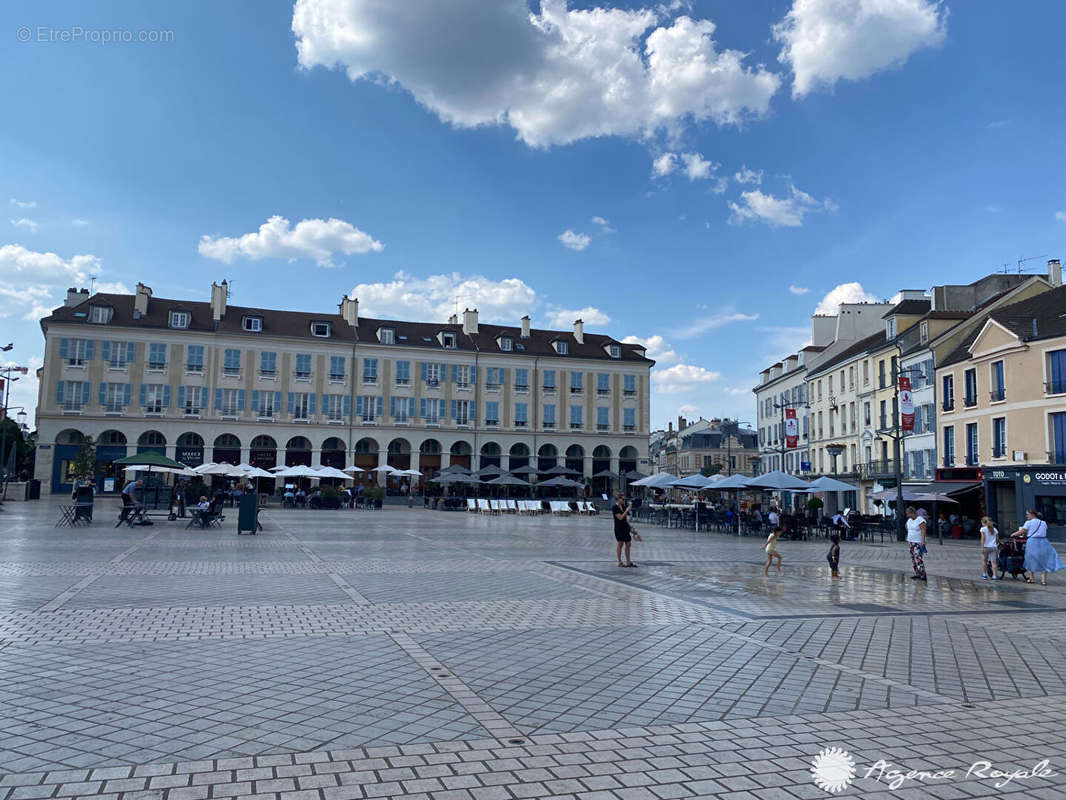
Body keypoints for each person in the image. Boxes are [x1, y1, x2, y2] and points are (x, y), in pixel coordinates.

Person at [1015, 509, 1064, 586]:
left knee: (1030, 559)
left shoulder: (1028, 523)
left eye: (1027, 514)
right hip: (1044, 542)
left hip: (1033, 542)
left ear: (1032, 514)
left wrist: (1013, 534)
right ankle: (1043, 580)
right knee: (1044, 560)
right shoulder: (1043, 522)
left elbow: (1022, 531)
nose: (1026, 516)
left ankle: (1031, 578)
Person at [612, 492, 639, 568]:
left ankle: (628, 561)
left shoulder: (623, 506)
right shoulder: (615, 507)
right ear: (618, 499)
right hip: (619, 528)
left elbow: (625, 519)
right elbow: (620, 517)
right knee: (620, 544)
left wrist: (631, 528)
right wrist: (627, 510)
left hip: (625, 527)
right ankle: (620, 562)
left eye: (624, 499)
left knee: (628, 544)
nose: (624, 500)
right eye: (623, 499)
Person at [906, 506, 927, 581]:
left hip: (917, 542)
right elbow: (907, 527)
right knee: (913, 558)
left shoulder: (920, 520)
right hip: (910, 541)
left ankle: (923, 574)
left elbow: (923, 530)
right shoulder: (909, 520)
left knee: (918, 558)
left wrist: (923, 541)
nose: (907, 515)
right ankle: (917, 573)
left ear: (913, 513)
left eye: (908, 514)